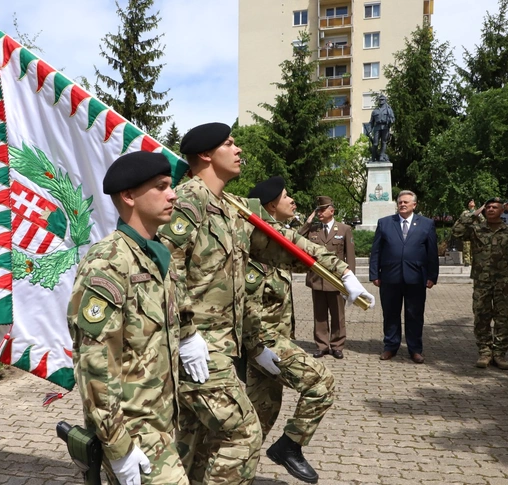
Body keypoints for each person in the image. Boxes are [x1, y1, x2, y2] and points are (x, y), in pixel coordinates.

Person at [159, 122, 371, 485]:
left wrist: (342, 274)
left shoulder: (231, 207)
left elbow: (284, 243)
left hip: (222, 349)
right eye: (229, 143)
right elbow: (164, 273)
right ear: (206, 155)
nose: (238, 148)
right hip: (196, 349)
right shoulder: (188, 201)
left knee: (194, 444)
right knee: (244, 435)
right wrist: (186, 334)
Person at [67, 151, 192, 485]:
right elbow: (94, 362)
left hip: (161, 420)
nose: (173, 195)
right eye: (161, 187)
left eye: (171, 186)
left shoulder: (156, 255)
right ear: (129, 196)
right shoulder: (109, 262)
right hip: (132, 428)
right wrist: (118, 446)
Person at [245, 176, 343, 485]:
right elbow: (243, 306)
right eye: (286, 196)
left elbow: (306, 255)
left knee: (258, 419)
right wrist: (257, 348)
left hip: (273, 344)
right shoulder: (253, 247)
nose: (293, 200)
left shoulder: (277, 241)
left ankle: (233, 475)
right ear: (271, 204)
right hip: (264, 344)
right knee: (321, 383)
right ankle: (289, 446)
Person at [452, 197, 508, 370]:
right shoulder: (476, 229)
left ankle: (499, 354)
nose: (491, 209)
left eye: (495, 207)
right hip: (482, 282)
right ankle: (485, 352)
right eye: (488, 207)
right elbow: (456, 232)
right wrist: (473, 213)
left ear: (502, 210)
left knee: (503, 319)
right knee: (481, 318)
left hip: (504, 283)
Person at [369, 190, 439, 364]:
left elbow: (432, 252)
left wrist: (432, 276)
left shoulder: (426, 224)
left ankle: (415, 349)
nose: (402, 204)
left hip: (416, 277)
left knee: (414, 314)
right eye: (400, 202)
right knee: (390, 313)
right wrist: (374, 274)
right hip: (390, 277)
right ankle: (390, 346)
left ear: (414, 205)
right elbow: (376, 251)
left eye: (406, 202)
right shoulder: (385, 223)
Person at [298, 196, 356, 360]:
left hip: (336, 279)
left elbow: (350, 256)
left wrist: (350, 279)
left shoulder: (344, 229)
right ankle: (322, 346)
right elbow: (296, 238)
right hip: (317, 278)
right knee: (320, 314)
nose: (319, 213)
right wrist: (308, 223)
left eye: (323, 210)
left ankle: (337, 345)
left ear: (332, 211)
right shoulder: (313, 229)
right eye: (318, 210)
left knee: (338, 315)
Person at [365, 94, 395, 162]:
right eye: (380, 100)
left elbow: (393, 119)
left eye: (382, 100)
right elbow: (371, 122)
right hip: (377, 128)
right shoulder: (375, 111)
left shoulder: (389, 110)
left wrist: (390, 121)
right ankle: (373, 157)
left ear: (385, 101)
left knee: (384, 142)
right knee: (375, 143)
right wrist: (369, 130)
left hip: (385, 127)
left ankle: (381, 156)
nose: (381, 101)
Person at [460, 199, 482, 266]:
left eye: (473, 201)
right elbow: (462, 220)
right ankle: (467, 261)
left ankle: (474, 261)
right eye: (470, 202)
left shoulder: (478, 212)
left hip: (475, 232)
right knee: (466, 247)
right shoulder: (465, 213)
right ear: (468, 204)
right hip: (467, 232)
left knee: (474, 247)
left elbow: (483, 221)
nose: (472, 202)